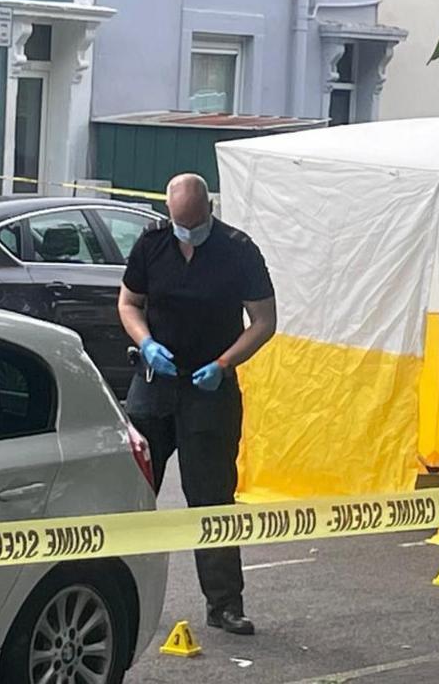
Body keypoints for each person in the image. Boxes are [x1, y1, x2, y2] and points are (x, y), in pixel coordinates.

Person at [117, 172, 278, 635]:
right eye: (178, 223)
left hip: (210, 388)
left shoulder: (237, 249)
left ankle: (225, 604)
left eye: (192, 223)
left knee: (211, 498)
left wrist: (225, 364)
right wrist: (146, 343)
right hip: (154, 381)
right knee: (132, 491)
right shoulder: (152, 243)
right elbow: (128, 303)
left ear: (209, 210)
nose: (185, 232)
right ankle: (122, 597)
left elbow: (264, 320)